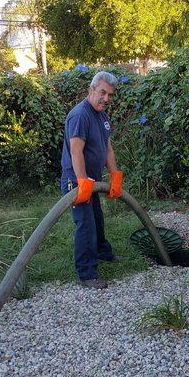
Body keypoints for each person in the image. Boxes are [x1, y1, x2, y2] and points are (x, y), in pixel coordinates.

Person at [61, 71, 123, 289]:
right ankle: (87, 273)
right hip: (76, 181)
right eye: (102, 93)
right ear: (91, 90)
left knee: (96, 218)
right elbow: (76, 151)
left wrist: (114, 175)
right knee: (85, 224)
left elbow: (106, 148)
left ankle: (103, 252)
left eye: (110, 95)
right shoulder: (80, 115)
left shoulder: (102, 115)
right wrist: (81, 181)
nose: (106, 99)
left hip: (93, 180)